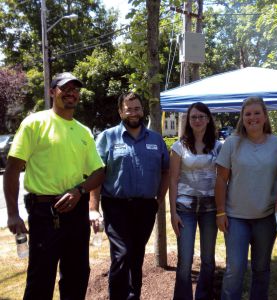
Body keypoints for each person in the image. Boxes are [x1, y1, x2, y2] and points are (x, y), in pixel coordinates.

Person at [3, 72, 105, 300]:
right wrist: (12, 214)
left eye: (75, 89)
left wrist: (80, 192)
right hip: (44, 213)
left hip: (76, 215)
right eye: (64, 88)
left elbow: (98, 172)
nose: (71, 93)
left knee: (77, 277)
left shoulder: (83, 131)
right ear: (52, 92)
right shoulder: (34, 123)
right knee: (40, 280)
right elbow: (12, 169)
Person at [89, 92, 169, 300]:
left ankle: (134, 296)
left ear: (142, 110)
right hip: (116, 206)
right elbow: (97, 173)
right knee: (121, 254)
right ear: (120, 111)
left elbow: (166, 170)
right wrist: (93, 208)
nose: (133, 113)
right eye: (128, 109)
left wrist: (158, 200)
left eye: (137, 108)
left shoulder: (156, 139)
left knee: (136, 255)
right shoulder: (107, 137)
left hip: (145, 207)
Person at [215, 96, 277, 300]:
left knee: (261, 269)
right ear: (242, 118)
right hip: (236, 217)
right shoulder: (231, 143)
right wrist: (220, 212)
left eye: (257, 113)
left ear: (265, 116)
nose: (252, 117)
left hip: (266, 217)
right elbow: (221, 180)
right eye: (248, 114)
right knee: (234, 269)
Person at [170, 102, 222, 300]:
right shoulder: (178, 147)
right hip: (185, 208)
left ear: (208, 119)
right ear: (188, 121)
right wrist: (173, 212)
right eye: (193, 117)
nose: (198, 120)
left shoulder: (218, 146)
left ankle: (203, 296)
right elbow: (173, 180)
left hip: (210, 207)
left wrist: (221, 210)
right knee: (185, 259)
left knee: (208, 259)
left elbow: (223, 178)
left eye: (201, 116)